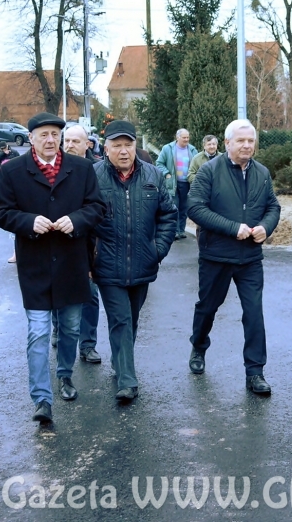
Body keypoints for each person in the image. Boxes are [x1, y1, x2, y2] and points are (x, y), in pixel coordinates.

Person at [0, 112, 106, 423]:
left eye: (55, 134)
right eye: (43, 134)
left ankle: (65, 375)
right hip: (35, 265)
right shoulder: (14, 171)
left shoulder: (81, 168)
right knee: (39, 332)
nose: (50, 139)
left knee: (70, 327)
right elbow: (2, 213)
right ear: (30, 138)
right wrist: (28, 221)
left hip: (72, 262)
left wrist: (77, 220)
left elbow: (97, 207)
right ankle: (41, 398)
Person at [187, 119, 281, 395]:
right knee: (208, 307)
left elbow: (273, 206)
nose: (247, 145)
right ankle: (198, 345)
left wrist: (267, 226)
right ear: (227, 143)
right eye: (240, 140)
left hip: (250, 257)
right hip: (216, 255)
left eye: (251, 141)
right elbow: (194, 207)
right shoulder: (209, 171)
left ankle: (255, 372)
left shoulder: (262, 173)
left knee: (254, 313)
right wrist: (231, 228)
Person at [92, 120, 177, 402]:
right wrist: (89, 257)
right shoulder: (93, 178)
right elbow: (84, 220)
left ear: (135, 146)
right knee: (121, 320)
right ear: (106, 149)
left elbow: (168, 215)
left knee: (133, 319)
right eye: (117, 146)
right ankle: (128, 380)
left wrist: (158, 249)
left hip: (143, 262)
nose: (124, 151)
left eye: (128, 145)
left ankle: (121, 362)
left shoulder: (152, 175)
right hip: (106, 264)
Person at [49, 123, 103, 364]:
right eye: (66, 141)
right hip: (57, 245)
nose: (69, 145)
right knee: (56, 292)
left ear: (87, 145)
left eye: (75, 141)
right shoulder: (52, 171)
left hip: (88, 245)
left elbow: (98, 209)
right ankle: (58, 330)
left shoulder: (97, 171)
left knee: (90, 296)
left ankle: (88, 344)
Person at [156, 128, 198, 239]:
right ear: (177, 137)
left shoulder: (193, 150)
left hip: (187, 184)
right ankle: (173, 232)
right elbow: (159, 163)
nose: (186, 139)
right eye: (184, 137)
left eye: (188, 137)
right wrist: (166, 173)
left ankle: (181, 231)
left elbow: (198, 166)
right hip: (173, 184)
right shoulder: (168, 149)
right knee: (174, 207)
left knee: (184, 208)